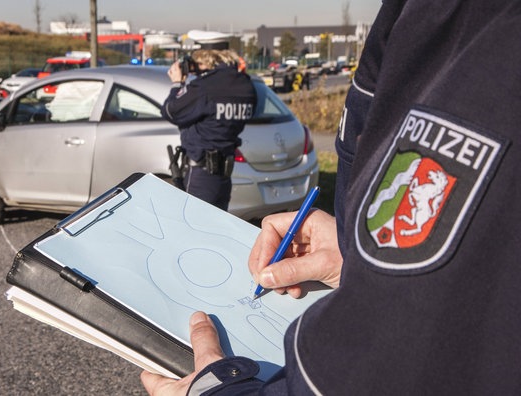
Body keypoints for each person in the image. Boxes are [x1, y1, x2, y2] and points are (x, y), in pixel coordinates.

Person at [142, 0, 521, 394]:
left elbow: (394, 352)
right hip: (227, 167)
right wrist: (352, 246)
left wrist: (219, 391)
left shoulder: (483, 30)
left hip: (204, 167)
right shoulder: (242, 82)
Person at [161, 49, 257, 211]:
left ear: (207, 60)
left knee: (193, 228)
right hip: (224, 175)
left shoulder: (205, 87)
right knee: (214, 229)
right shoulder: (245, 85)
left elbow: (171, 111)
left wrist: (177, 84)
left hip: (201, 174)